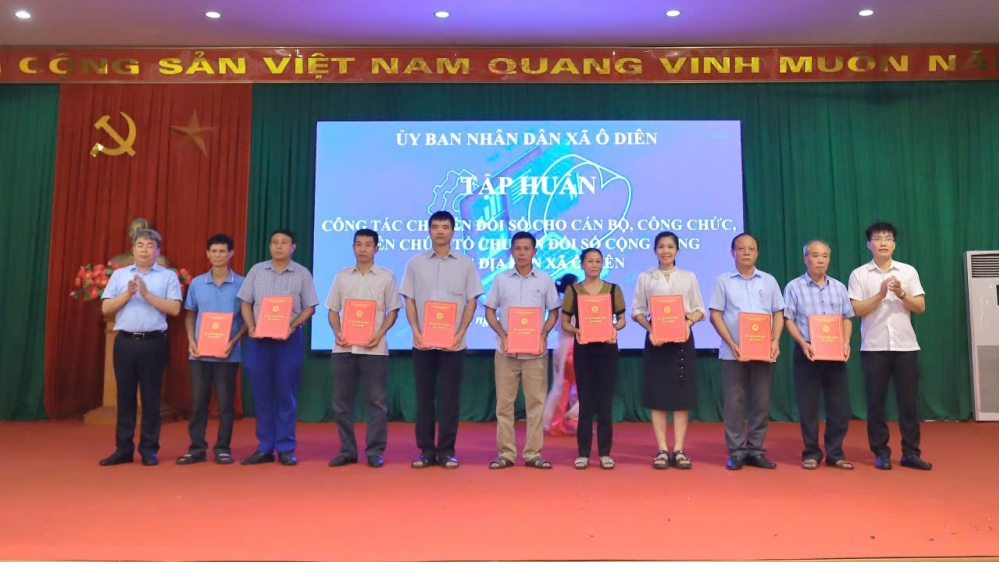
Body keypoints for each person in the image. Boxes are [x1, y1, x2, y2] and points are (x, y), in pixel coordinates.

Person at [400, 210, 484, 469]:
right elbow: (409, 300)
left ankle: (447, 451)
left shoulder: (465, 263)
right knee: (424, 397)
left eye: (445, 227)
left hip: (454, 343)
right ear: (429, 231)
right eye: (435, 226)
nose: (440, 231)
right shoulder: (415, 263)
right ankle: (426, 450)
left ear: (453, 231)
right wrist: (416, 331)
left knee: (449, 399)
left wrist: (460, 333)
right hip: (422, 342)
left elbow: (472, 301)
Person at [848, 222, 931, 470]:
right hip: (874, 347)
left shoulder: (908, 271)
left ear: (894, 244)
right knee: (876, 404)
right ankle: (881, 452)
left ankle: (911, 453)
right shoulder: (859, 274)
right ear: (869, 244)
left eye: (888, 239)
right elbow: (855, 309)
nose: (883, 243)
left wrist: (902, 294)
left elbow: (920, 307)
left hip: (906, 347)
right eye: (877, 238)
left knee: (908, 403)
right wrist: (880, 294)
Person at [98, 229, 182, 466]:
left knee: (151, 398)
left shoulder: (168, 277)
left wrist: (146, 295)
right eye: (140, 245)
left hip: (153, 343)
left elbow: (175, 309)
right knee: (124, 397)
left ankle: (149, 449)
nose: (145, 250)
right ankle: (123, 449)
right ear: (133, 249)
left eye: (150, 246)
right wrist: (127, 294)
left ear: (158, 251)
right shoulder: (119, 275)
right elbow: (106, 309)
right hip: (125, 343)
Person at [237, 229, 319, 467]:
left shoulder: (302, 273)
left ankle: (285, 448)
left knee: (286, 394)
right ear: (270, 246)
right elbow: (246, 303)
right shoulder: (257, 270)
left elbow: (310, 307)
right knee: (261, 395)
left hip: (288, 342)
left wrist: (292, 326)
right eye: (275, 242)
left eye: (284, 243)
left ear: (293, 247)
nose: (279, 246)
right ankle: (264, 447)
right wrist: (251, 326)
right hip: (258, 341)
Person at [484, 231, 561, 469]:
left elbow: (554, 312)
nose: (522, 253)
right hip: (506, 352)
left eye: (527, 249)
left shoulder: (545, 279)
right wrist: (503, 336)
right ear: (511, 251)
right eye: (517, 248)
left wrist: (543, 334)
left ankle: (533, 453)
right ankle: (506, 453)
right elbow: (489, 310)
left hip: (535, 353)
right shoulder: (501, 279)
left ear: (534, 252)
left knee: (535, 404)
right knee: (504, 406)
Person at [709, 233, 785, 470]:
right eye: (741, 248)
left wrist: (775, 340)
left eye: (751, 249)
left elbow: (778, 312)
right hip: (734, 352)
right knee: (734, 403)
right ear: (733, 252)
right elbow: (715, 315)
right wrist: (732, 343)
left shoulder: (769, 281)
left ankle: (756, 450)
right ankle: (736, 451)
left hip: (764, 351)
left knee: (761, 402)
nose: (746, 253)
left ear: (757, 253)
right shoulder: (723, 281)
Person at [326, 228, 401, 469]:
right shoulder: (342, 277)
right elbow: (332, 311)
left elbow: (393, 311)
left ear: (376, 248)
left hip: (374, 350)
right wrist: (337, 332)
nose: (363, 249)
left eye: (368, 245)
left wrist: (379, 334)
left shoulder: (386, 277)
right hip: (344, 349)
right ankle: (347, 451)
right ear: (353, 247)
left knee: (377, 402)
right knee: (341, 402)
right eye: (358, 244)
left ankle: (374, 452)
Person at [632, 232, 705, 470]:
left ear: (677, 250)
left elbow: (699, 309)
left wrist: (687, 324)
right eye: (661, 247)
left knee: (681, 398)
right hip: (656, 341)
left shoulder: (688, 277)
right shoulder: (645, 277)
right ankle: (662, 449)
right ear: (655, 250)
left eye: (670, 247)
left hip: (682, 340)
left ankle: (679, 449)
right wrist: (650, 329)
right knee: (658, 397)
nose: (666, 251)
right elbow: (638, 311)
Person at [783, 240, 855, 470]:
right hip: (808, 352)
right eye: (815, 255)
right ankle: (811, 453)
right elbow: (788, 319)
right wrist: (802, 343)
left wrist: (846, 342)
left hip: (835, 353)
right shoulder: (794, 287)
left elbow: (847, 317)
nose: (820, 260)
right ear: (806, 259)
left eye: (825, 256)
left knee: (839, 406)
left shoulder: (839, 287)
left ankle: (835, 453)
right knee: (808, 407)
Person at [176, 234, 246, 466]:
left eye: (222, 251)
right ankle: (196, 448)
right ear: (207, 254)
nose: (217, 255)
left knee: (226, 405)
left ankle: (223, 448)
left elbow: (248, 319)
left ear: (231, 253)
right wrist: (191, 340)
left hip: (228, 354)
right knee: (198, 404)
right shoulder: (197, 283)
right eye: (213, 251)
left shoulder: (242, 283)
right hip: (199, 354)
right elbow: (190, 314)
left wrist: (234, 341)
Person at [559, 248, 626, 470]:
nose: (594, 265)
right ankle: (583, 453)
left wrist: (613, 328)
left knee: (605, 404)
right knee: (586, 404)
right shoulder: (574, 290)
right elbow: (565, 322)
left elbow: (622, 319)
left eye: (598, 261)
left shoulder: (613, 289)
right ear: (582, 264)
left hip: (607, 349)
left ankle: (605, 453)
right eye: (590, 261)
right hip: (584, 349)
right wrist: (577, 331)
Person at [543, 274, 579, 436]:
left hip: (561, 348)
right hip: (573, 348)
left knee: (560, 387)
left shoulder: (558, 303)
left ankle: (552, 422)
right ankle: (572, 418)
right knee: (579, 387)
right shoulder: (571, 303)